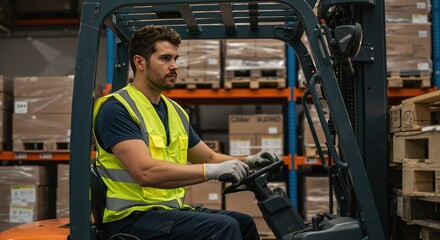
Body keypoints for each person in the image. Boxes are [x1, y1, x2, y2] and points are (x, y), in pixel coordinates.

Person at [92, 25, 281, 240]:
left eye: (175, 59)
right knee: (223, 227)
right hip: (130, 218)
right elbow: (145, 172)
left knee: (243, 222)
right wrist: (210, 172)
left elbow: (208, 156)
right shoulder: (117, 108)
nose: (174, 66)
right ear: (140, 62)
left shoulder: (175, 111)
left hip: (166, 213)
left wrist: (249, 161)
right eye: (165, 59)